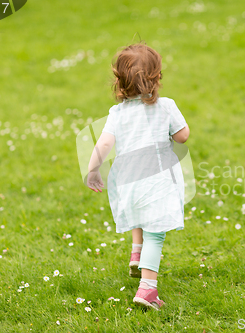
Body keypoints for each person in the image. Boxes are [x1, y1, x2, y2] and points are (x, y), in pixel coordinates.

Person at [86, 43, 190, 311]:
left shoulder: (117, 114)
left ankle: (136, 251)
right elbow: (182, 136)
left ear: (119, 81)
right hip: (156, 181)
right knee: (155, 234)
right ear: (156, 78)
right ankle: (147, 290)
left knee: (138, 214)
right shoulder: (166, 107)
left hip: (128, 182)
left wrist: (93, 169)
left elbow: (104, 145)